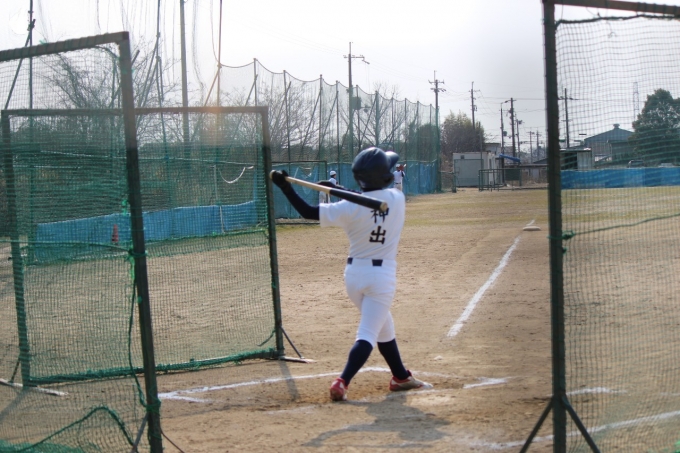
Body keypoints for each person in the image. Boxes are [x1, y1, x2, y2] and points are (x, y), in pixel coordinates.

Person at [271, 147, 432, 402]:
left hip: (354, 276)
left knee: (383, 325)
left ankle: (401, 377)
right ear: (385, 177)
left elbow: (308, 212)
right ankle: (342, 381)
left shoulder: (346, 207)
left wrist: (286, 188)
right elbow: (369, 198)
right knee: (368, 332)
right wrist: (341, 190)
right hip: (381, 277)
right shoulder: (397, 198)